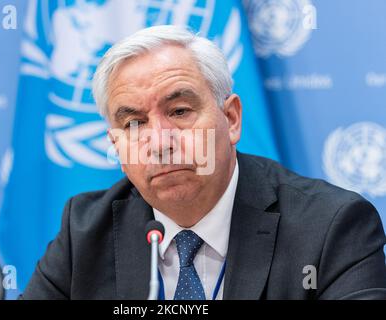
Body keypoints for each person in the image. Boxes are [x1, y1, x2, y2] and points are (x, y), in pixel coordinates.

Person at [22, 25, 386, 300]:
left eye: (179, 111)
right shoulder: (84, 232)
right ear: (116, 145)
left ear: (231, 119)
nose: (160, 142)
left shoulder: (330, 227)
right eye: (134, 124)